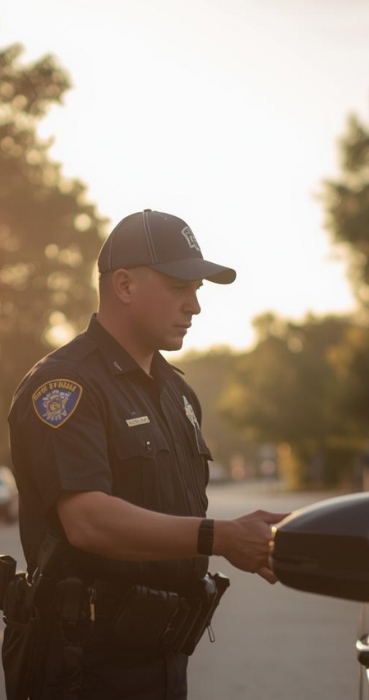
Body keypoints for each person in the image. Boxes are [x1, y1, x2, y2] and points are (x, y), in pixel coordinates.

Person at [6, 209, 287, 700]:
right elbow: (88, 521)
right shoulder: (65, 385)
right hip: (82, 668)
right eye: (180, 287)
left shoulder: (177, 395)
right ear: (125, 286)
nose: (194, 306)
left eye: (197, 290)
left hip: (160, 660)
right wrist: (220, 537)